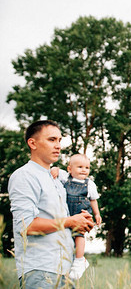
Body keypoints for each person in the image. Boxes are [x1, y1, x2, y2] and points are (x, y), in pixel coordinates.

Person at [8, 120, 94, 288]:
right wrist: (70, 221)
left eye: (59, 140)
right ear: (32, 143)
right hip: (40, 270)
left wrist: (80, 222)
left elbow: (60, 223)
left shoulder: (56, 180)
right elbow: (26, 227)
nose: (58, 146)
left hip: (65, 270)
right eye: (51, 140)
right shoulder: (24, 176)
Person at [51, 154, 102, 280]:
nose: (84, 170)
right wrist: (55, 169)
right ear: (70, 169)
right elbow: (56, 170)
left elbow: (93, 200)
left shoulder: (89, 184)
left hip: (81, 213)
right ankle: (70, 258)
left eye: (87, 167)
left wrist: (97, 214)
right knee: (67, 236)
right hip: (67, 214)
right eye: (80, 167)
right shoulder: (65, 177)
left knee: (79, 235)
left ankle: (80, 260)